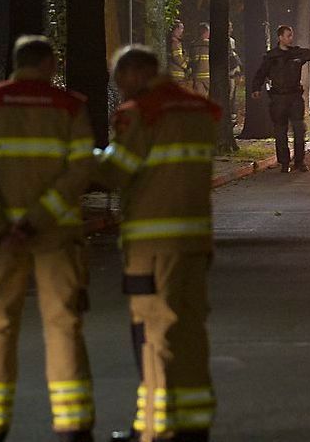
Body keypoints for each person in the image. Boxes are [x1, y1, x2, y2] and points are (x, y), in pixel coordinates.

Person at [0, 35, 95, 442]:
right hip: (56, 235)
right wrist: (38, 218)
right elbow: (80, 168)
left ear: (16, 63)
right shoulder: (69, 107)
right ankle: (73, 426)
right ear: (49, 63)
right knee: (63, 324)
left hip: (1, 241)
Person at [98, 45, 221, 442]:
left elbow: (116, 171)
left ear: (134, 74)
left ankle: (153, 427)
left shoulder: (139, 114)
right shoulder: (199, 111)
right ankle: (194, 421)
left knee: (153, 335)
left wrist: (80, 161)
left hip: (151, 247)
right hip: (195, 242)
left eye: (119, 80)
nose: (119, 89)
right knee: (190, 333)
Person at [250, 24, 310, 173]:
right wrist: (255, 88)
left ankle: (300, 161)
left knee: (299, 129)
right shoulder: (271, 57)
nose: (291, 38)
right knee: (280, 132)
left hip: (294, 98)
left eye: (291, 35)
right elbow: (261, 73)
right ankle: (284, 163)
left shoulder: (297, 53)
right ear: (280, 37)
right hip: (278, 99)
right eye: (288, 36)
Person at [190, 23, 210, 96]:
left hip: (197, 77)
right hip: (208, 77)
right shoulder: (210, 44)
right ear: (206, 32)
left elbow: (191, 60)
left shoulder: (193, 44)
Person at [168, 20, 190, 86]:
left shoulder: (175, 42)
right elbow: (177, 57)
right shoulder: (175, 43)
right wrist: (186, 67)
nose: (182, 31)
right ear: (176, 29)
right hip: (176, 75)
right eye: (181, 28)